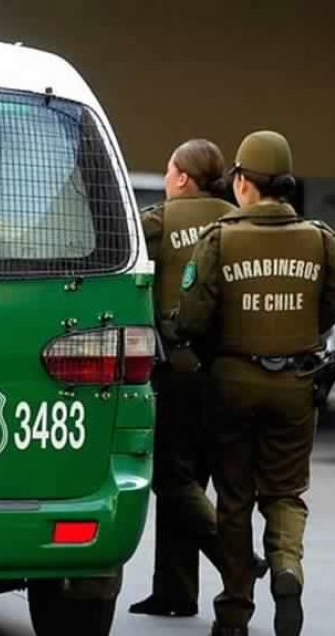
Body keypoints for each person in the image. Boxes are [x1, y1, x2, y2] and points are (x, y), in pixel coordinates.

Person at [176, 130, 335, 636]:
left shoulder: (220, 239)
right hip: (296, 383)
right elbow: (330, 308)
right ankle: (287, 568)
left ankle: (234, 612)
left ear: (242, 182)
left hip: (233, 382)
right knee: (286, 492)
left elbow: (193, 319)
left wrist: (216, 359)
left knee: (235, 499)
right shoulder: (320, 239)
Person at [131, 139, 267, 618]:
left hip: (181, 371)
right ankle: (174, 590)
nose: (168, 178)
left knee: (172, 478)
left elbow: (114, 253)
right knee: (200, 481)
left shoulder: (161, 221)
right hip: (232, 371)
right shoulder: (239, 220)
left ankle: (238, 563)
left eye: (169, 170)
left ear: (182, 177)